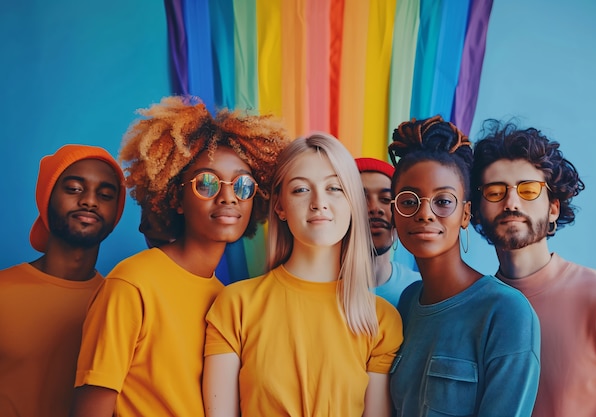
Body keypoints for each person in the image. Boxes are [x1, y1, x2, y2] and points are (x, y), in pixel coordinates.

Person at [70, 96, 289, 417]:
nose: (228, 196)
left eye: (243, 184)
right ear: (176, 197)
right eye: (207, 183)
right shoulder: (132, 283)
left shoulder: (228, 299)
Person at [203, 133, 403, 417]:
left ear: (353, 204)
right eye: (300, 190)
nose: (318, 202)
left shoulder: (381, 320)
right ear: (280, 206)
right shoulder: (235, 304)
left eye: (335, 188)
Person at [470, 120, 596, 417]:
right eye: (494, 191)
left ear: (553, 207)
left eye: (528, 190)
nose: (511, 202)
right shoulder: (473, 311)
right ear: (477, 208)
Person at [387, 116, 540, 417]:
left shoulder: (506, 312)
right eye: (408, 201)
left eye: (443, 201)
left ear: (466, 214)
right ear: (394, 211)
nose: (425, 214)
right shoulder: (404, 304)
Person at [0, 144, 125, 417]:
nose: (90, 201)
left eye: (105, 194)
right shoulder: (3, 291)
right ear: (47, 198)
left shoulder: (116, 304)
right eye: (74, 189)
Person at [355, 157, 421, 307]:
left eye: (386, 199)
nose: (375, 208)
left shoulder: (421, 291)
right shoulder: (320, 287)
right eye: (360, 199)